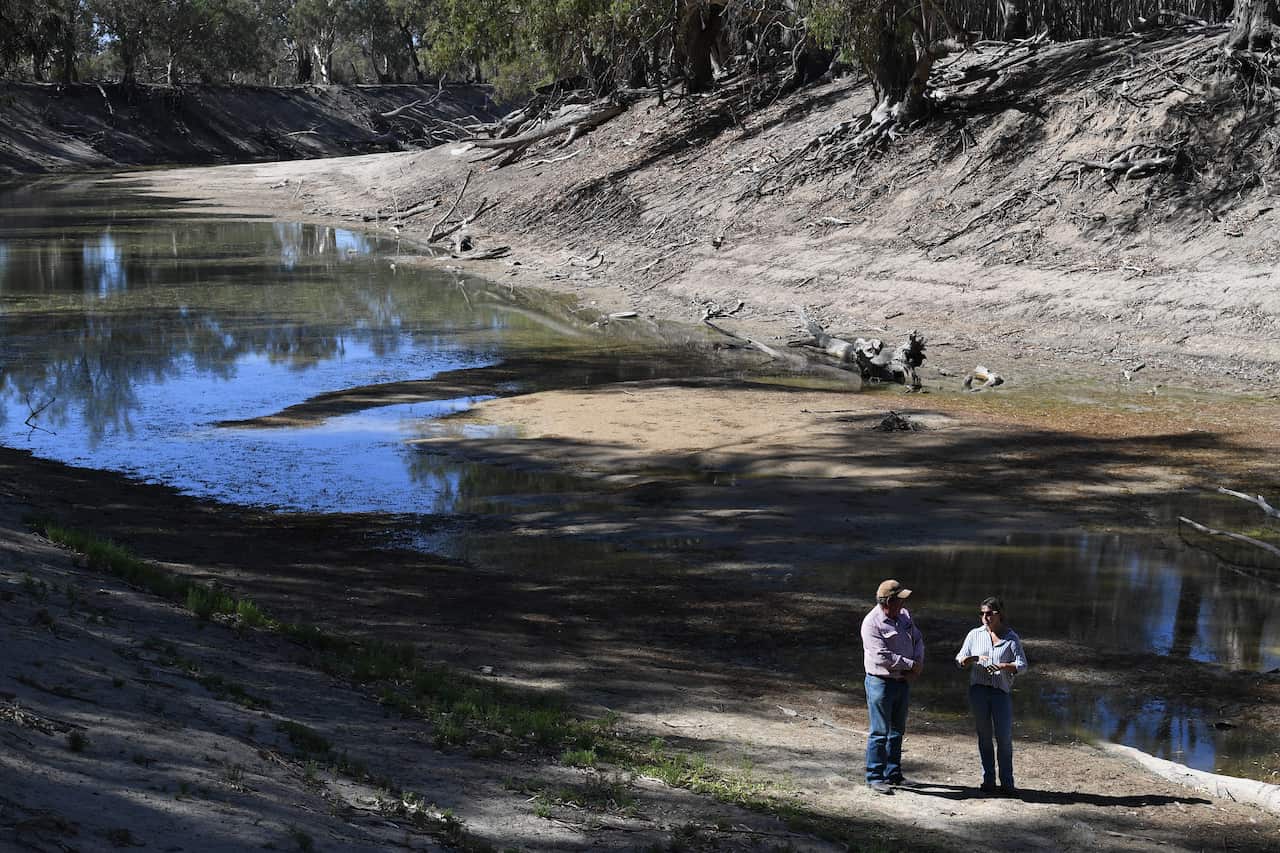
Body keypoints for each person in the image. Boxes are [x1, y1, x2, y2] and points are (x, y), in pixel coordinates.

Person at [955, 596, 1029, 795]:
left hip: (1000, 692)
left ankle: (1007, 783)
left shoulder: (1011, 638)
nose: (985, 617)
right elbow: (960, 659)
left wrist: (1005, 666)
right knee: (984, 737)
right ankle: (988, 780)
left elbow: (1022, 666)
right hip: (978, 690)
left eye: (989, 613)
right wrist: (970, 660)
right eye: (982, 614)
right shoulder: (974, 635)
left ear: (1000, 614)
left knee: (1004, 738)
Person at [860, 578, 924, 795]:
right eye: (899, 600)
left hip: (902, 682)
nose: (903, 604)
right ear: (887, 601)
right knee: (879, 731)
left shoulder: (904, 616)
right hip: (881, 682)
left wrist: (917, 662)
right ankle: (874, 777)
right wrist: (911, 665)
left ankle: (893, 774)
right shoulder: (871, 623)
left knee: (897, 731)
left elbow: (917, 639)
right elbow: (881, 656)